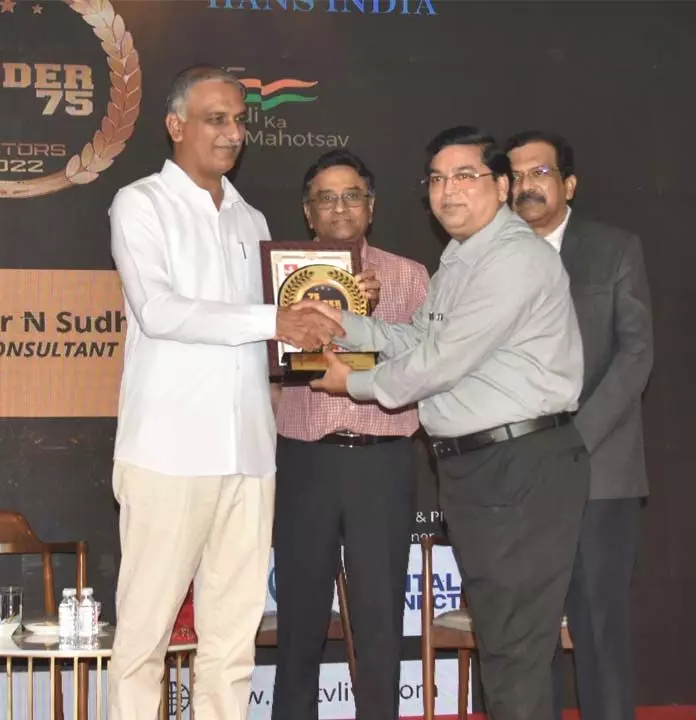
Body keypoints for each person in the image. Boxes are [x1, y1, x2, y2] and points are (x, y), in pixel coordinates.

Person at [306, 126, 589, 720]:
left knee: (514, 649)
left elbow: (439, 361)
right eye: (436, 179)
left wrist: (353, 383)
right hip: (483, 470)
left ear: (502, 186)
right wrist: (342, 322)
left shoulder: (513, 258)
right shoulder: (462, 258)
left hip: (521, 467)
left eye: (466, 176)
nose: (448, 191)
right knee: (503, 643)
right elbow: (417, 337)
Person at [106, 64, 345, 720]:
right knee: (144, 639)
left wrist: (334, 327)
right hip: (168, 454)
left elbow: (276, 338)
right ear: (176, 125)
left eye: (240, 120)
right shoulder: (139, 204)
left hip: (249, 454)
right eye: (217, 118)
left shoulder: (252, 218)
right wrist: (275, 320)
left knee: (233, 642)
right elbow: (160, 310)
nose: (233, 132)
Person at [271, 149, 429, 720]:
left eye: (352, 195)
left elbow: (420, 368)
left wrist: (369, 319)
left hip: (381, 459)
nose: (340, 207)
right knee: (299, 621)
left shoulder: (410, 276)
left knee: (380, 621)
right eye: (326, 198)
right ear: (308, 213)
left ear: (372, 207)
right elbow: (280, 366)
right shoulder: (283, 276)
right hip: (306, 459)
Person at [505, 130, 653, 720]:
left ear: (568, 183)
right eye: (513, 176)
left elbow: (636, 355)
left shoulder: (615, 250)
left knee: (598, 626)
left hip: (599, 471)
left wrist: (574, 439)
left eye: (538, 173)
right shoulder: (489, 258)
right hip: (517, 477)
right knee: (526, 636)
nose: (525, 187)